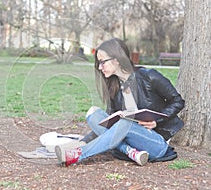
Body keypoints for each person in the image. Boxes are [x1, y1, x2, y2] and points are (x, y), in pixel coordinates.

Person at [55, 38, 185, 167]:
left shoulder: (149, 76)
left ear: (116, 60)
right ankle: (129, 151)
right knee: (93, 113)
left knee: (125, 122)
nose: (100, 67)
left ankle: (77, 154)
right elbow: (108, 126)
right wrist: (84, 140)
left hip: (156, 142)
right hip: (129, 139)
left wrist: (156, 121)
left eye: (102, 62)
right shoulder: (114, 87)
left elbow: (177, 101)